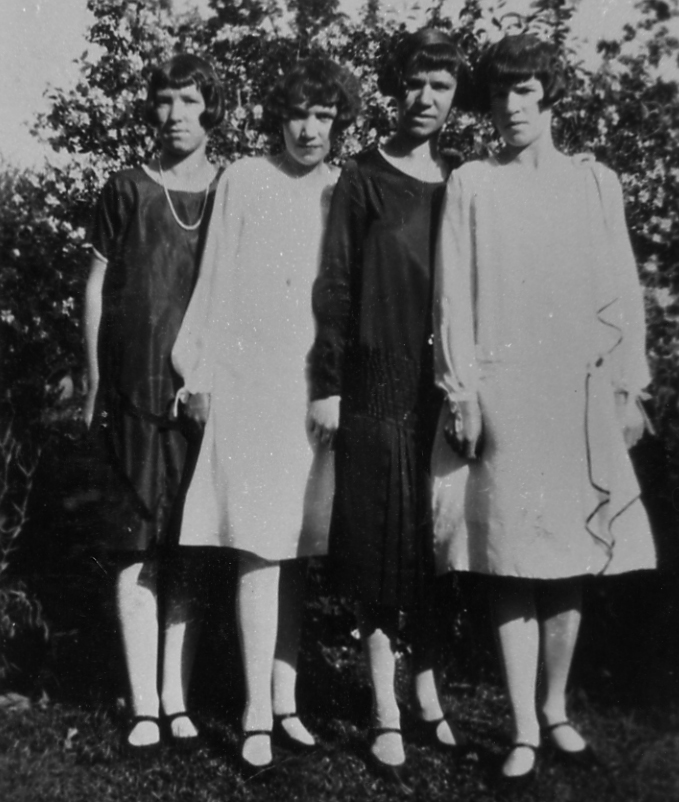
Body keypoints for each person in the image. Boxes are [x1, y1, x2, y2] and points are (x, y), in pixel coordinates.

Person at [432, 34, 656, 785]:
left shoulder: (594, 183)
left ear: (549, 96)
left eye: (524, 91)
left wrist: (628, 389)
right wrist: (461, 392)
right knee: (509, 558)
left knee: (568, 556)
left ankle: (556, 708)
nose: (510, 107)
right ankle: (523, 728)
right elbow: (453, 295)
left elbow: (620, 288)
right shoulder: (472, 183)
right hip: (503, 389)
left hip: (577, 391)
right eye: (499, 94)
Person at [171, 58, 360, 773]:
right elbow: (215, 275)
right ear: (278, 118)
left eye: (323, 115)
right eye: (297, 114)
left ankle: (285, 701)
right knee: (257, 544)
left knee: (297, 546)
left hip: (314, 388)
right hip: (250, 381)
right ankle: (254, 713)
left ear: (338, 122)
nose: (309, 129)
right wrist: (199, 371)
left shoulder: (343, 190)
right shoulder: (245, 178)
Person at [307, 28, 468, 785]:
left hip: (444, 387)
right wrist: (329, 384)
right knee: (377, 549)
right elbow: (335, 285)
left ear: (456, 96)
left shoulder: (464, 180)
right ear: (395, 88)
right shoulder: (362, 178)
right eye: (414, 83)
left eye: (440, 86)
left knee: (436, 547)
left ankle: (428, 694)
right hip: (375, 381)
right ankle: (383, 709)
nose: (425, 98)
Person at [83, 54, 225, 753]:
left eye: (189, 100)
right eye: (165, 100)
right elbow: (94, 287)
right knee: (135, 545)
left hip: (203, 395)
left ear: (210, 110)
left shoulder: (230, 190)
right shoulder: (127, 188)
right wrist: (92, 379)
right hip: (133, 389)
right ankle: (143, 703)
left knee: (189, 547)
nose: (175, 115)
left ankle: (177, 697)